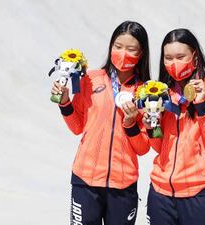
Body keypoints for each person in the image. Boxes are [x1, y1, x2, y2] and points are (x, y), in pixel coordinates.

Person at [51, 21, 151, 225]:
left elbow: (142, 148)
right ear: (110, 46)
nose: (123, 53)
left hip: (123, 184)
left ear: (141, 53)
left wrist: (131, 123)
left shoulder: (146, 91)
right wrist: (65, 102)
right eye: (118, 46)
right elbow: (77, 127)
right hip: (85, 179)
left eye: (131, 49)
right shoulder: (89, 79)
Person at [143, 28, 205, 225]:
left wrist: (201, 106)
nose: (173, 64)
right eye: (168, 58)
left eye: (180, 56)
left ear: (195, 55)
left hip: (201, 192)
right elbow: (159, 147)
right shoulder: (162, 93)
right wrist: (152, 125)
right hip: (161, 193)